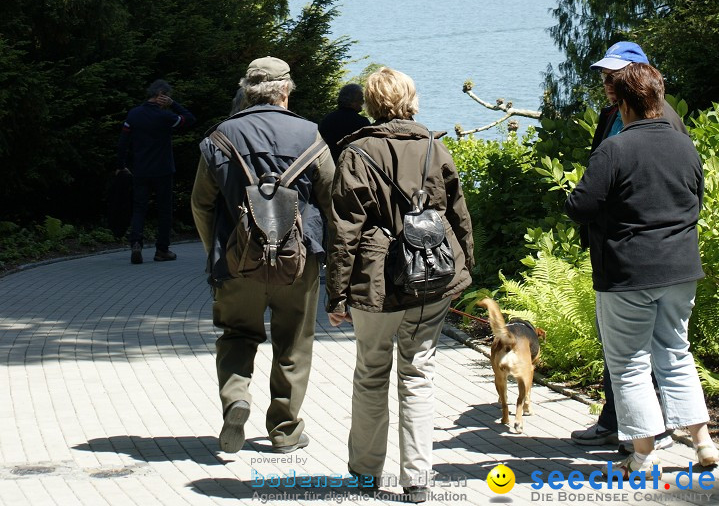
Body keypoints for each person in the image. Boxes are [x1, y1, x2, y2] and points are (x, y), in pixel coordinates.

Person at [326, 67, 474, 503]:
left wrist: (336, 294)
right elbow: (458, 215)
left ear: (370, 104)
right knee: (420, 373)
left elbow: (344, 232)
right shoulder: (435, 147)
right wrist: (465, 270)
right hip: (433, 274)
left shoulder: (357, 152)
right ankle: (418, 478)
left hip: (376, 282)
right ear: (411, 99)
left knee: (371, 373)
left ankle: (365, 473)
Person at [566, 62, 718, 477]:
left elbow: (580, 206)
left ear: (624, 104)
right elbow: (695, 201)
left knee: (630, 363)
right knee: (675, 354)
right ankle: (703, 442)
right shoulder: (685, 146)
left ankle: (644, 455)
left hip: (627, 272)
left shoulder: (614, 149)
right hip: (681, 267)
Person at [191, 56, 335, 454]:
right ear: (285, 91)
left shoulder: (221, 136)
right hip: (298, 261)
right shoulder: (312, 136)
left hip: (238, 262)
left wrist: (215, 253)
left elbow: (201, 204)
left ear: (247, 91)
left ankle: (236, 397)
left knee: (237, 334)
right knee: (293, 343)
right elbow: (333, 203)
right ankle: (285, 431)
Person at [571, 41, 689, 450]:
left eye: (614, 75)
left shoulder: (665, 121)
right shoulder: (610, 116)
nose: (606, 83)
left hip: (642, 251)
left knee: (648, 352)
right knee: (619, 346)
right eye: (604, 75)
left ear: (637, 76)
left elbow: (666, 187)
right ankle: (613, 420)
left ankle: (648, 433)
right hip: (616, 247)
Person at [116, 79, 195, 265]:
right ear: (164, 96)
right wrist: (173, 105)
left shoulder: (134, 115)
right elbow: (190, 119)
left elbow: (123, 142)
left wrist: (120, 165)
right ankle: (162, 250)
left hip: (140, 169)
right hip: (163, 169)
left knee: (139, 207)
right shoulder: (166, 117)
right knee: (164, 210)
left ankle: (136, 243)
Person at [318, 82, 371, 163]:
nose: (362, 102)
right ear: (351, 102)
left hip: (330, 162)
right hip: (353, 165)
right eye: (360, 99)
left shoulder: (327, 119)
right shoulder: (362, 122)